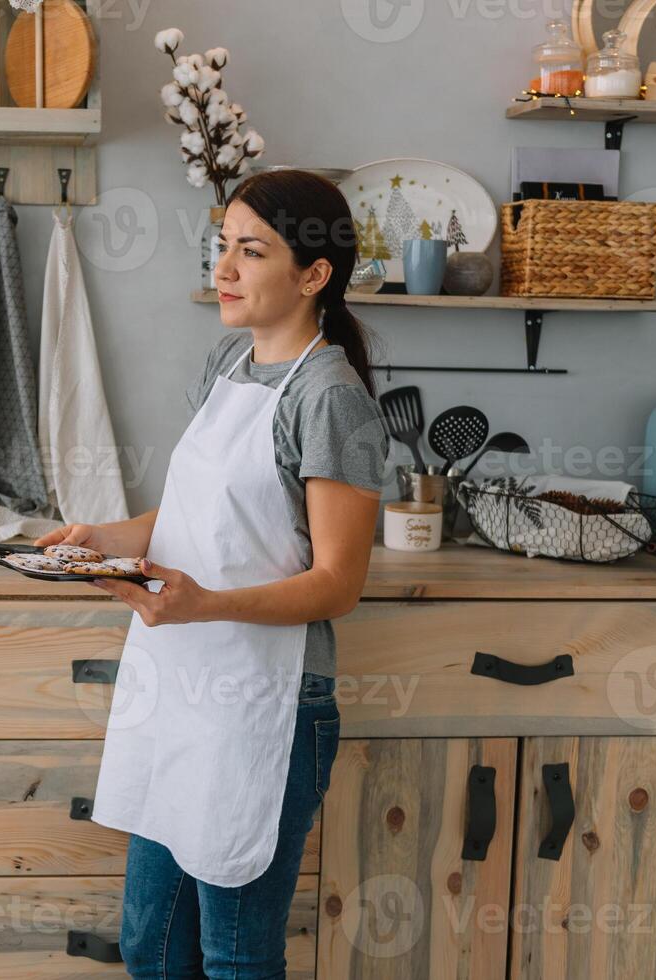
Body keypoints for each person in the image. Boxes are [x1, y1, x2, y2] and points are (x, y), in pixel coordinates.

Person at [33, 169, 389, 978]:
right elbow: (186, 516)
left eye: (250, 250)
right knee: (152, 949)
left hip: (267, 709)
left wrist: (207, 604)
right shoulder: (229, 362)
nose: (223, 268)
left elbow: (339, 582)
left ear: (313, 274)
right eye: (222, 246)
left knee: (234, 956)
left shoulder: (331, 400)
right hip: (183, 688)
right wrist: (99, 539)